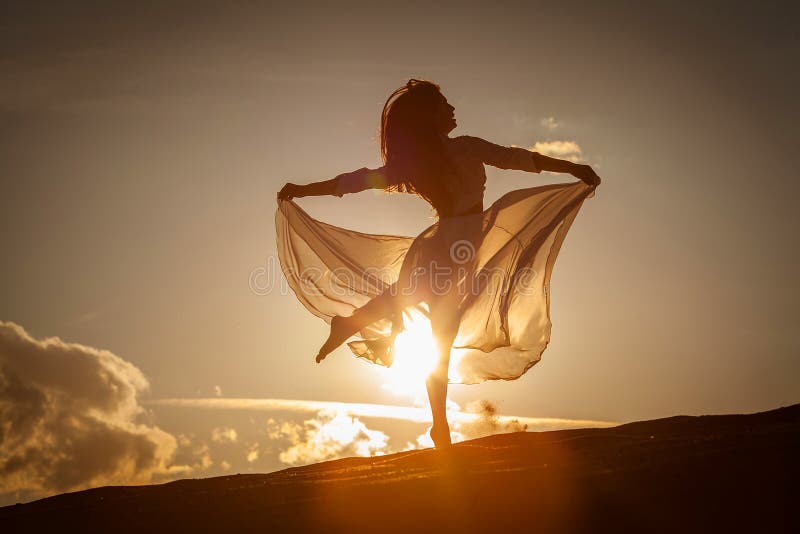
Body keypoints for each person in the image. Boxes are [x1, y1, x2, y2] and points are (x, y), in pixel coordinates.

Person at [277, 79, 600, 447]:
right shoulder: (440, 156)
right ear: (429, 117)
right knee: (436, 335)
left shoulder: (448, 153)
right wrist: (303, 190)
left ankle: (358, 328)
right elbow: (357, 182)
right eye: (444, 104)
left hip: (451, 245)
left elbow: (518, 159)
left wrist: (572, 168)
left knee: (430, 326)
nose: (452, 109)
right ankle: (436, 423)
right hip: (452, 247)